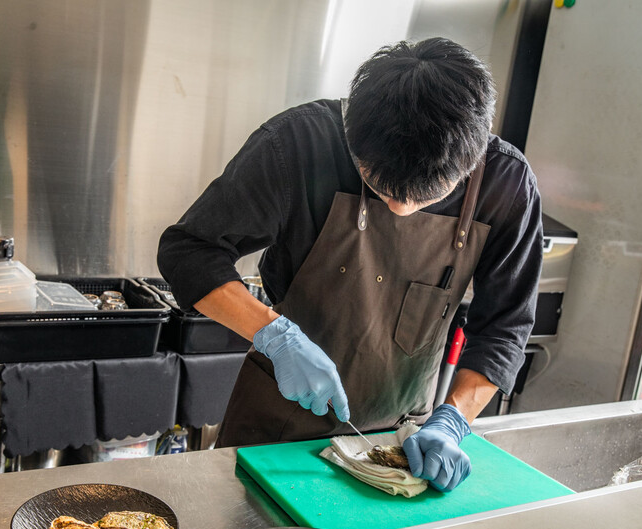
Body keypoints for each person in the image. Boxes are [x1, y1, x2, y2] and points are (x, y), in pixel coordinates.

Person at [158, 37, 542, 493]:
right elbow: (190, 251)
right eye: (382, 186)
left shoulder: (506, 183)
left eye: (425, 194)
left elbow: (504, 327)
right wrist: (274, 335)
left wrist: (453, 419)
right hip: (275, 433)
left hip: (404, 440)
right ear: (353, 139)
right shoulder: (298, 144)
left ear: (472, 160)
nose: (400, 208)